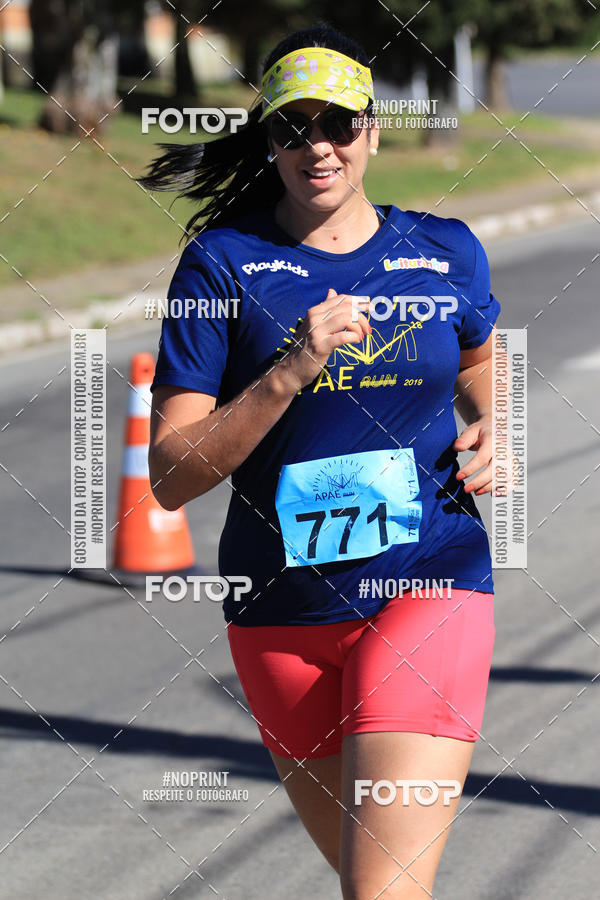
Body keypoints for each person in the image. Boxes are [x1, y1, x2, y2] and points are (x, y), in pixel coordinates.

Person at [142, 23, 500, 900]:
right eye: (292, 128)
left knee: (382, 890)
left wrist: (498, 421)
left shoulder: (445, 250)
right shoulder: (222, 267)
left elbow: (484, 358)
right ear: (268, 140)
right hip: (281, 615)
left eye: (339, 124)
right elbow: (172, 474)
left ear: (374, 131)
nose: (319, 147)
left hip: (430, 581)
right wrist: (291, 367)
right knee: (373, 878)